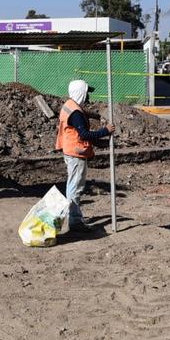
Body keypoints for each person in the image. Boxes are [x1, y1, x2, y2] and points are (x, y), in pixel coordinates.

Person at [55, 80, 115, 232]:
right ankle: (75, 222)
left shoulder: (69, 105)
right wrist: (105, 131)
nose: (88, 96)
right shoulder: (76, 113)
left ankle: (73, 217)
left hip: (69, 150)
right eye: (87, 92)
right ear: (81, 92)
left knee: (72, 186)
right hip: (76, 152)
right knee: (75, 187)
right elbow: (84, 134)